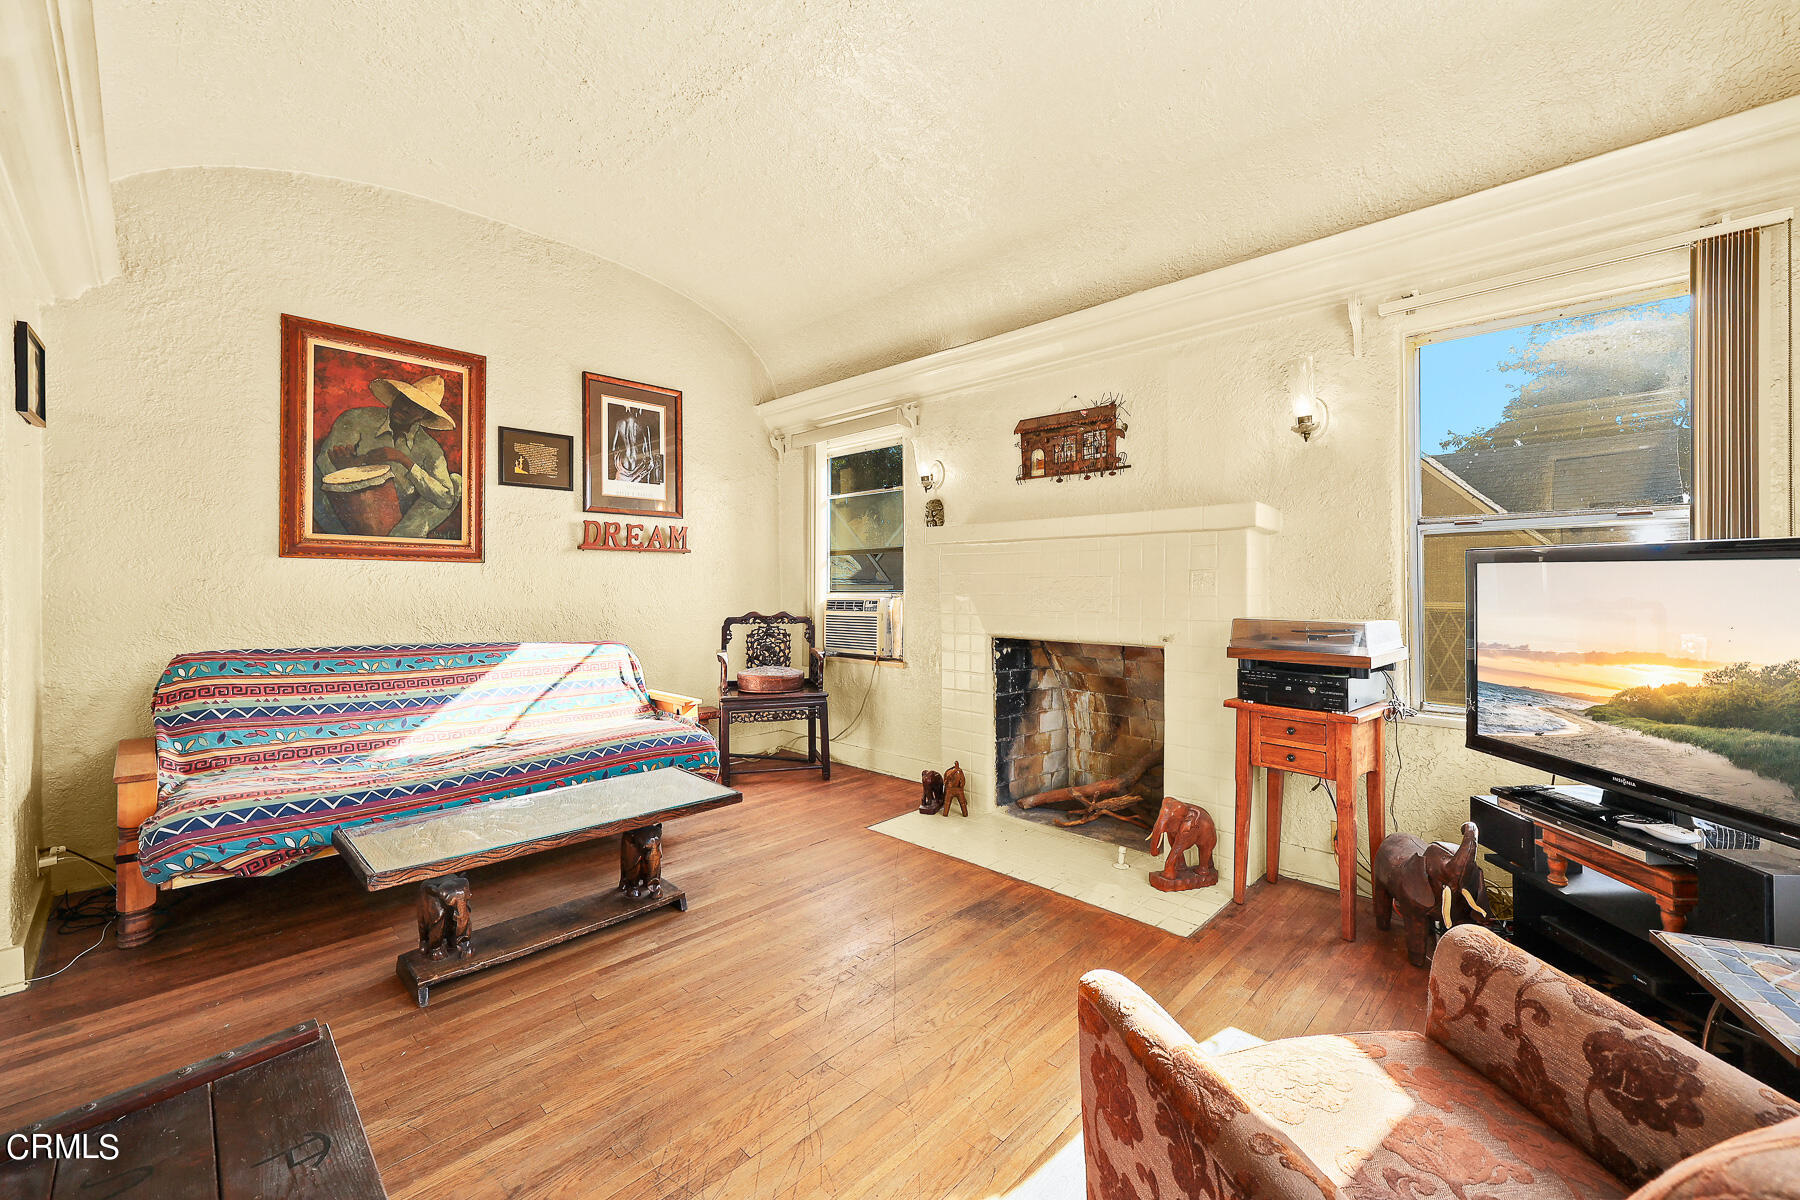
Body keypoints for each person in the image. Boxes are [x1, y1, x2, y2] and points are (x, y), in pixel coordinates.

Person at [313, 374, 463, 538]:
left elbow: (445, 499)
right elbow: (325, 462)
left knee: (455, 483)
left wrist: (403, 459)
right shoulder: (356, 419)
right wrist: (350, 471)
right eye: (404, 399)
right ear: (396, 397)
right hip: (345, 508)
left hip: (400, 518)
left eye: (416, 406)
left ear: (425, 415)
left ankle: (399, 538)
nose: (405, 408)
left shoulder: (429, 448)